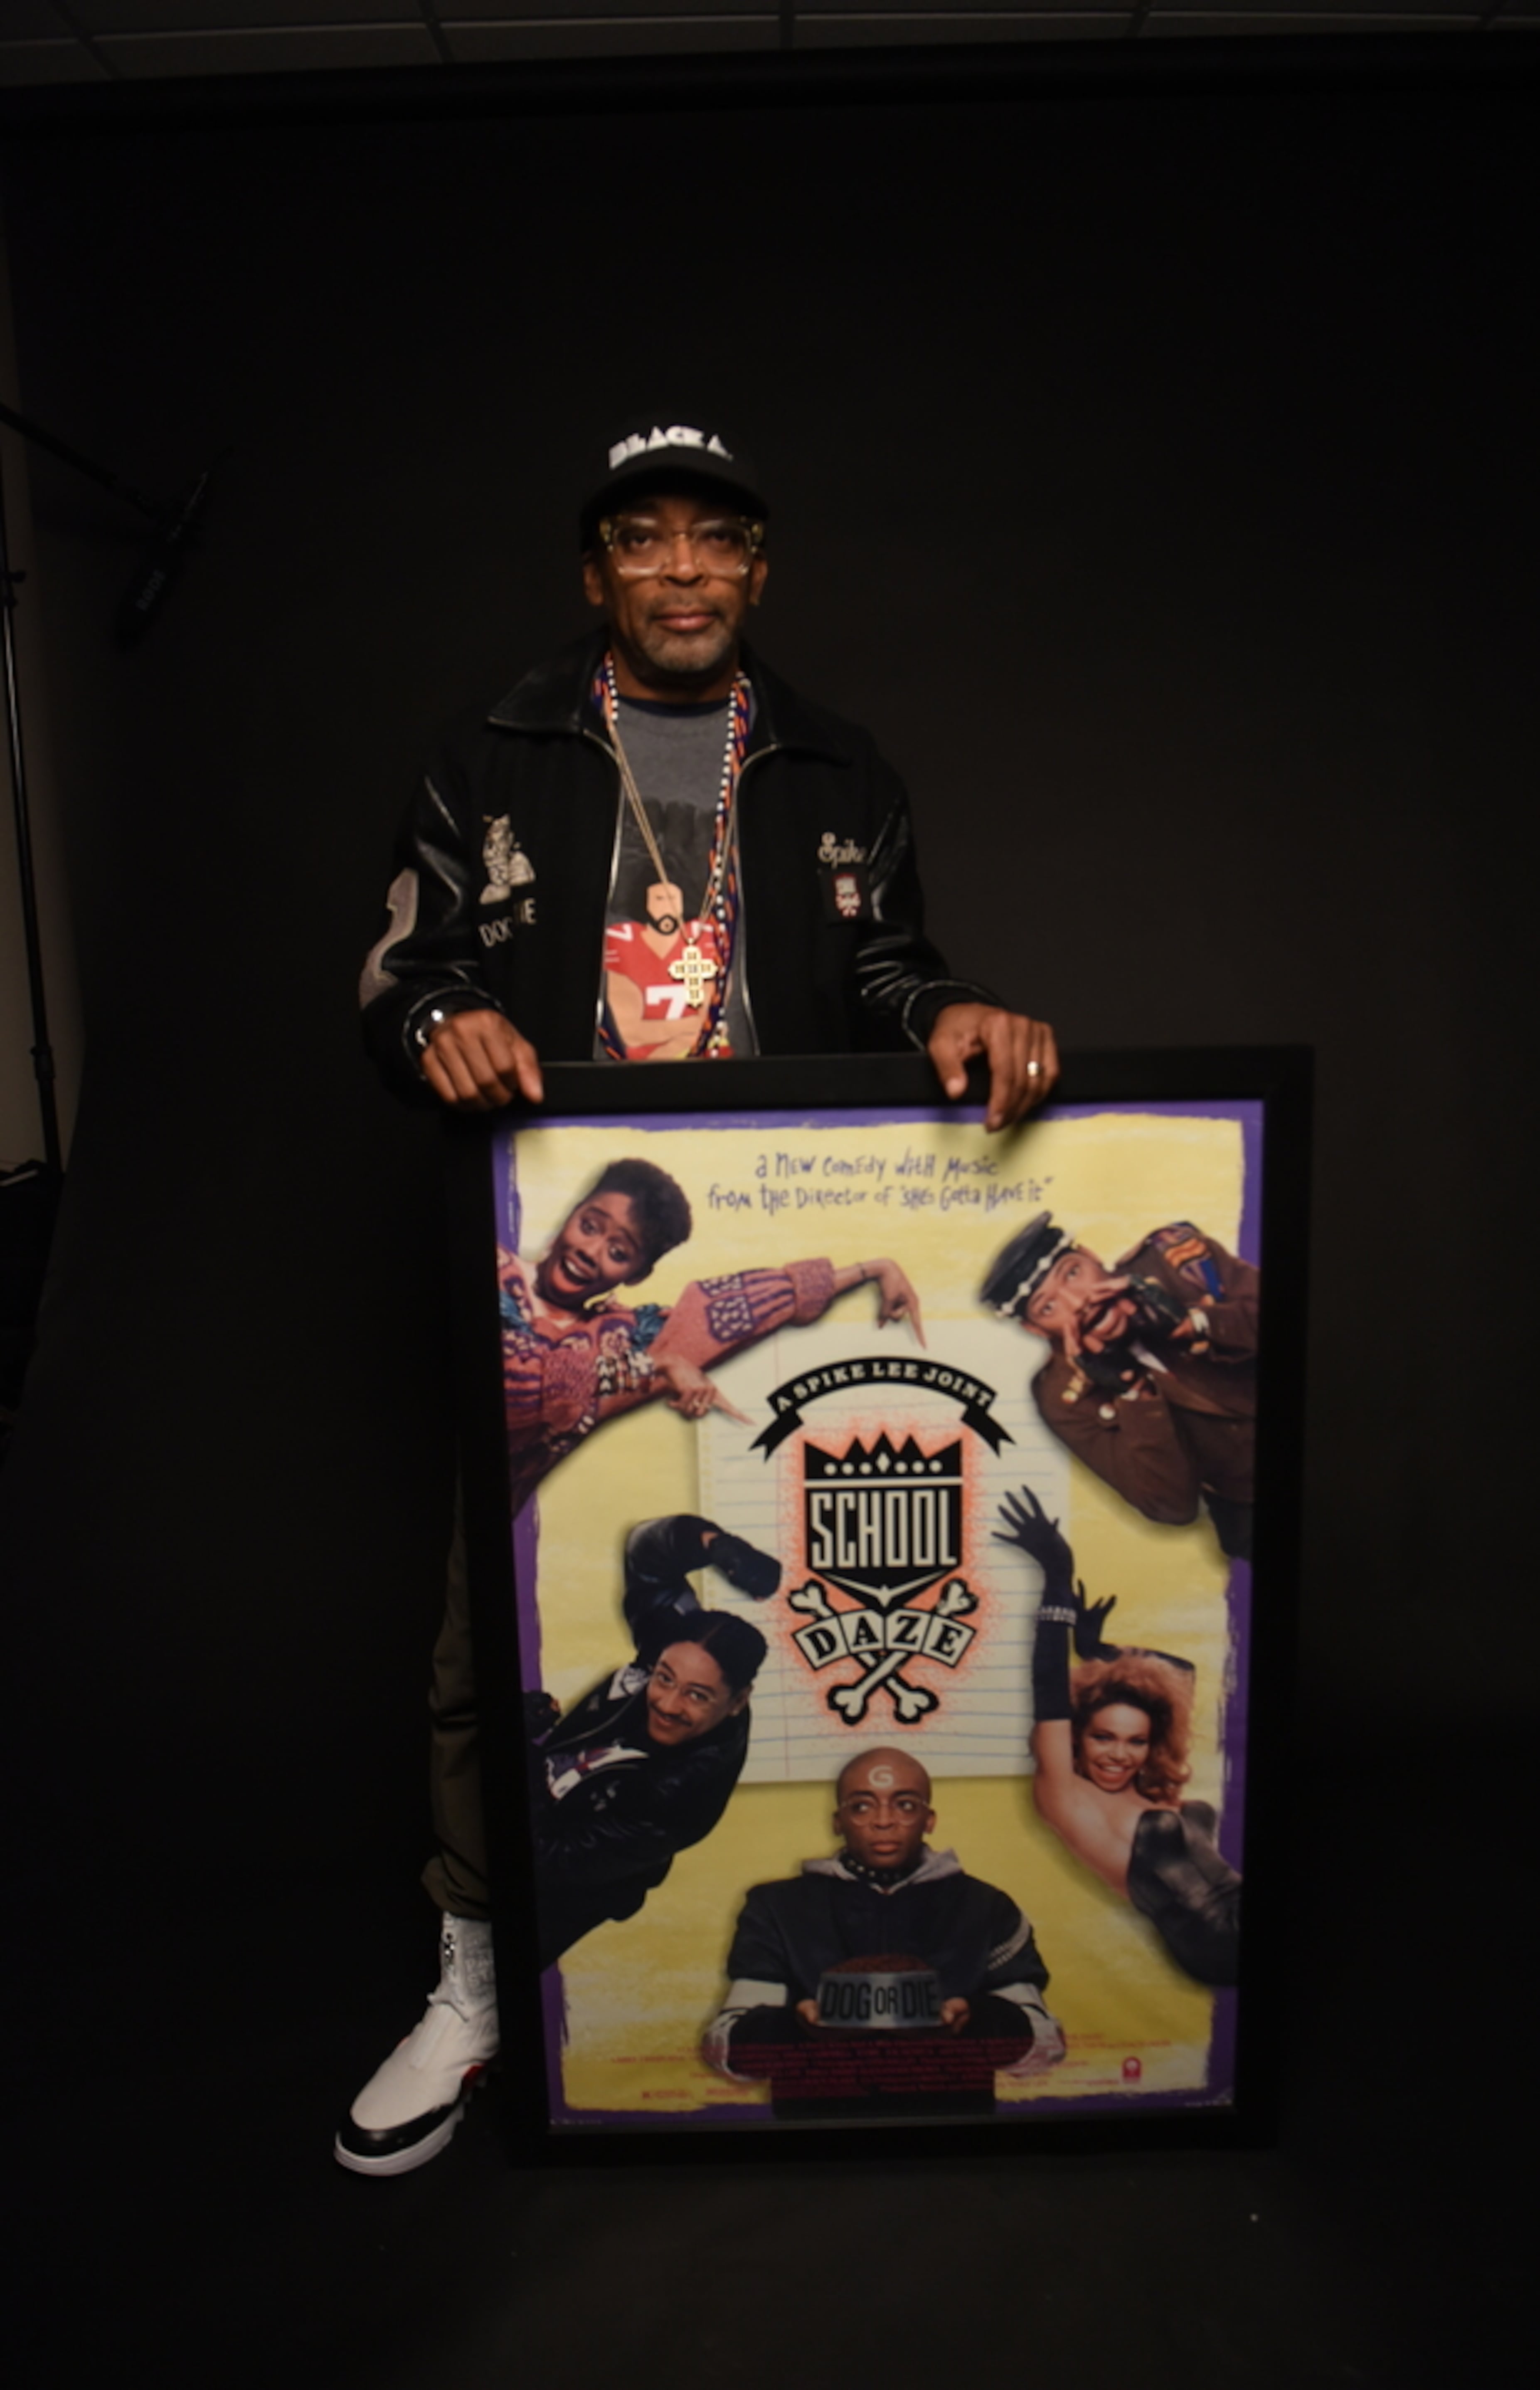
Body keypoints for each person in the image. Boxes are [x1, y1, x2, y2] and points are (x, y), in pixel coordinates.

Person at [348, 414, 1060, 2173]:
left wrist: (950, 1008)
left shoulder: (835, 763)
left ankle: (750, 1962)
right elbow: (401, 964)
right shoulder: (493, 752)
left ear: (757, 567)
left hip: (753, 1238)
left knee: (786, 1618)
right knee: (491, 1634)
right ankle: (475, 1975)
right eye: (644, 537)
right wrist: (443, 1016)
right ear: (596, 573)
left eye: (716, 536)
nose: (682, 567)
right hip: (543, 1259)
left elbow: (888, 962)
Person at [337, 1515, 772, 2174]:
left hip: (577, 1877)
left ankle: (480, 2010)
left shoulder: (681, 1795)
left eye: (698, 1697)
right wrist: (717, 1547)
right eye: (663, 1677)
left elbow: (548, 1862)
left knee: (522, 1925)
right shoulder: (685, 1645)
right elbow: (648, 1554)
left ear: (737, 1703)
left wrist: (517, 1756)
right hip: (561, 1796)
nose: (668, 1701)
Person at [498, 1154, 925, 1512]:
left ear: (638, 1274)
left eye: (618, 1252)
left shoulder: (618, 1335)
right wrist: (657, 1364)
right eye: (590, 1226)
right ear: (573, 1212)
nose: (590, 1252)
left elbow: (725, 1313)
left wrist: (874, 1269)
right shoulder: (497, 1273)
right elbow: (516, 1389)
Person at [702, 1746, 1064, 2116]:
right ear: (838, 1821)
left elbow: (1045, 2044)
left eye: (905, 1805)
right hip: (818, 2134)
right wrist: (797, 2026)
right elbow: (727, 2049)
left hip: (950, 2133)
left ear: (930, 1819)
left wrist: (975, 2022)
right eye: (862, 1806)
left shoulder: (986, 1906)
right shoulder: (778, 1907)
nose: (884, 1821)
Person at [995, 1486, 1242, 1989]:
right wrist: (1057, 1577)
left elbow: (1182, 1673)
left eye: (1136, 1742)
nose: (1119, 1754)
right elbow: (1047, 1687)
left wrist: (1098, 1649)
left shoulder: (1151, 1792)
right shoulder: (1067, 1798)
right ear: (1079, 1738)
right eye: (1104, 1737)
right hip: (1217, 1942)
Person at [980, 1212, 1257, 1558]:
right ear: (1036, 1330)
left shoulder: (1175, 1259)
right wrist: (1133, 1392)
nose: (1079, 1303)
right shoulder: (1064, 1399)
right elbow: (1172, 1507)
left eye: (1073, 1273)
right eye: (1049, 1307)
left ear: (1091, 1255)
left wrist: (1192, 1323)